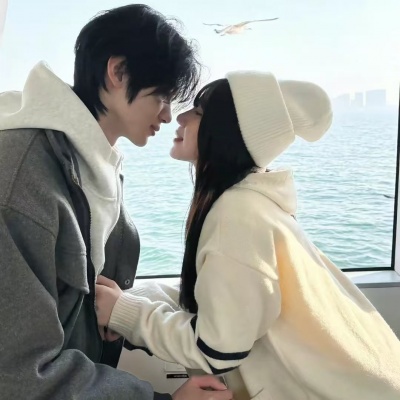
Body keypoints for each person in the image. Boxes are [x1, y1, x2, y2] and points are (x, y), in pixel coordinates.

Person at [96, 71, 400, 400]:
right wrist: (133, 301)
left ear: (229, 132)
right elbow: (218, 295)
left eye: (198, 112)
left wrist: (125, 313)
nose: (180, 117)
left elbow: (217, 352)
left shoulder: (236, 215)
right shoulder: (254, 202)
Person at [0, 4, 233, 400]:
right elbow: (19, 374)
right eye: (162, 96)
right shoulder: (21, 178)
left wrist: (123, 313)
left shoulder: (93, 164)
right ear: (118, 71)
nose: (167, 115)